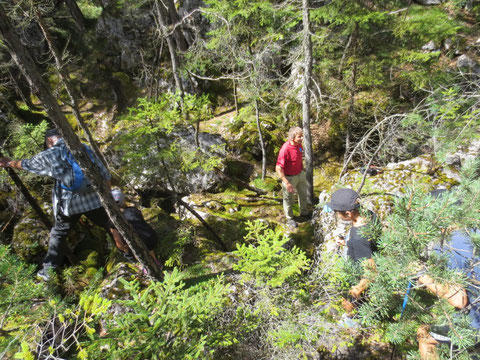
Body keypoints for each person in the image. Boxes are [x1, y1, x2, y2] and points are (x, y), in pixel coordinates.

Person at [0, 128, 128, 280]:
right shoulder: (83, 147)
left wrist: (8, 162)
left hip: (69, 205)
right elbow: (105, 174)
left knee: (59, 233)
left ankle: (48, 270)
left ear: (49, 140)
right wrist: (106, 197)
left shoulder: (51, 154)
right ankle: (128, 252)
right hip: (95, 200)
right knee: (110, 225)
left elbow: (27, 164)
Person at [416, 230, 479, 359]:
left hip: (474, 325)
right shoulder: (475, 232)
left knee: (424, 334)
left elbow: (459, 300)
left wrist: (422, 276)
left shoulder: (446, 245)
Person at [326, 188, 380, 311]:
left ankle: (351, 320)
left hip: (358, 276)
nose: (336, 214)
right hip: (362, 254)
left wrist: (357, 289)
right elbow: (370, 245)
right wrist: (348, 243)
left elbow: (371, 272)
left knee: (350, 306)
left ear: (348, 214)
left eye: (337, 212)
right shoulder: (370, 215)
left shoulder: (358, 239)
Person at [111, 189, 161, 267]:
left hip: (138, 243)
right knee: (146, 243)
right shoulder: (133, 210)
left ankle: (147, 266)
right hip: (152, 236)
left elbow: (119, 244)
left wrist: (126, 250)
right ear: (123, 200)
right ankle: (155, 261)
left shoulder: (113, 220)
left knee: (135, 247)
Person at [276, 126, 310, 229]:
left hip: (300, 175)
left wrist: (302, 170)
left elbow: (299, 158)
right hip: (289, 178)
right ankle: (290, 218)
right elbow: (278, 168)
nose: (302, 139)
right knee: (288, 199)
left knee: (303, 194)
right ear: (292, 138)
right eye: (299, 137)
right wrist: (287, 182)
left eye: (302, 136)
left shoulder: (299, 146)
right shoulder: (285, 149)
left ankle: (304, 213)